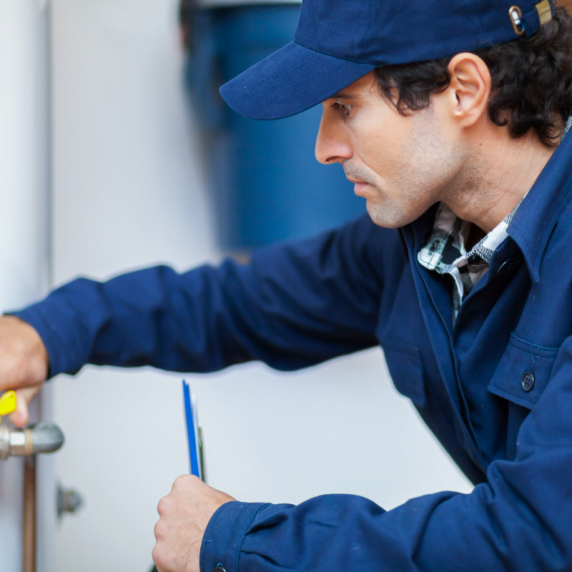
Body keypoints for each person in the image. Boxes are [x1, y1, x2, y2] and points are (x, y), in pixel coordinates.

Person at [2, 0, 572, 570]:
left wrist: (235, 540)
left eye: (346, 107)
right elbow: (236, 305)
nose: (325, 148)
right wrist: (43, 332)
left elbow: (532, 537)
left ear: (464, 91)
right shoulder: (425, 240)